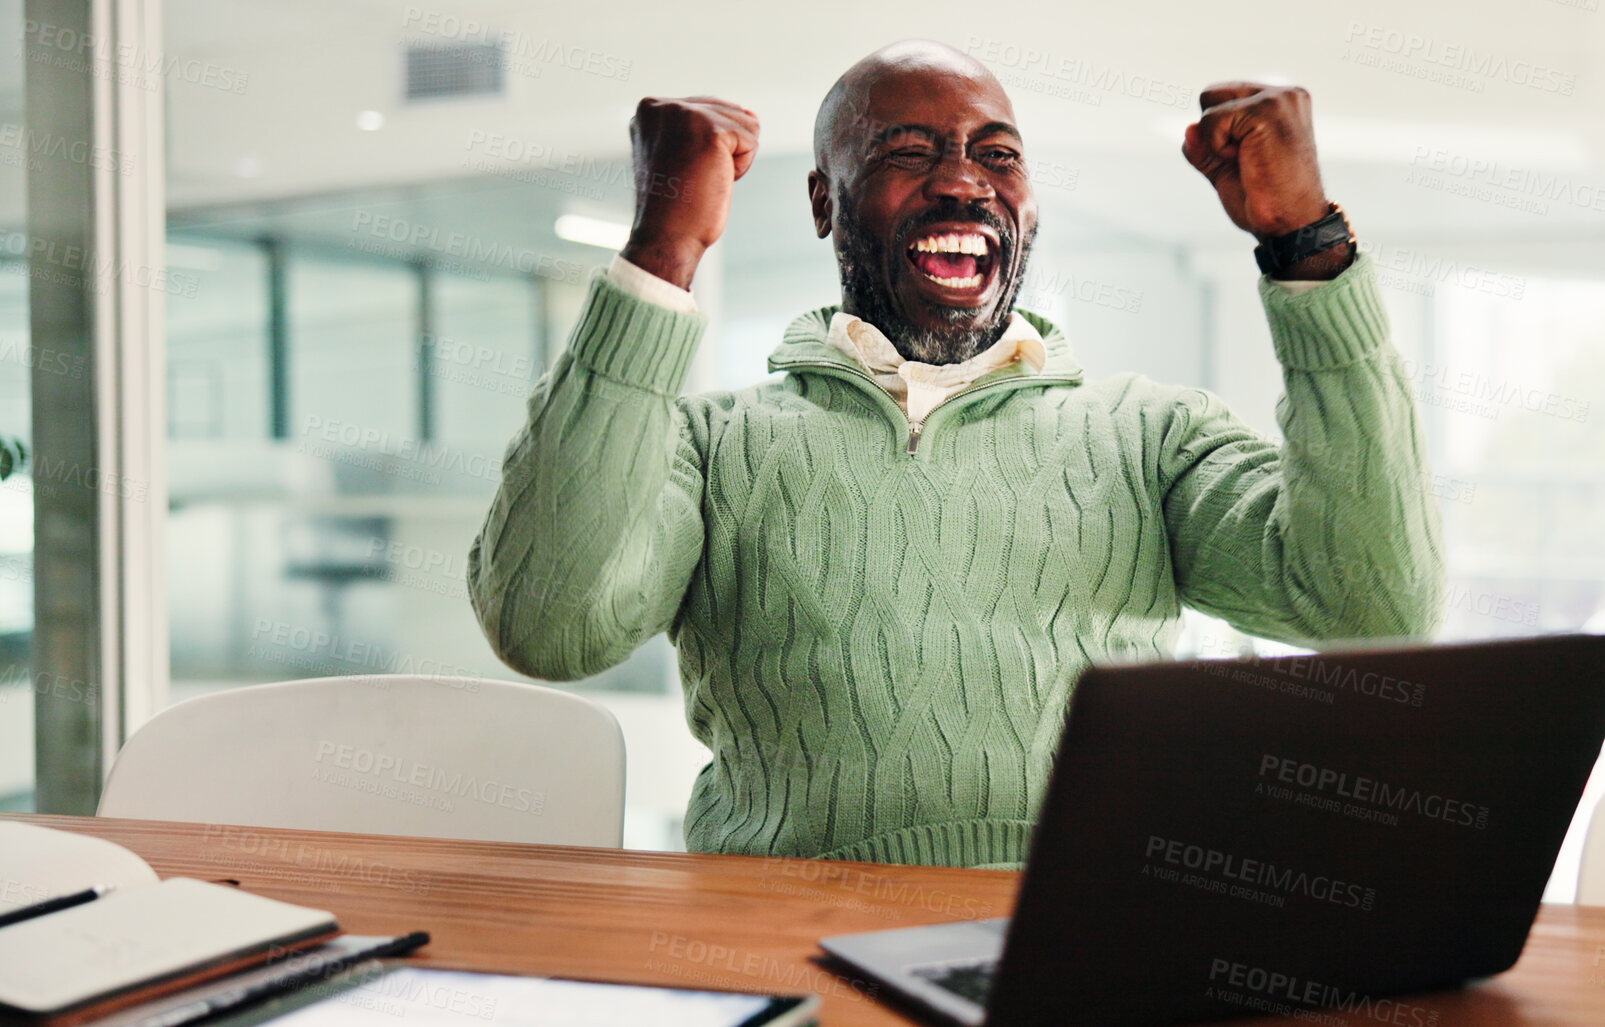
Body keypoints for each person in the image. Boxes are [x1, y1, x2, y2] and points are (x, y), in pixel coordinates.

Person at [468, 39, 1444, 868]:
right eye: (906, 151)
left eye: (997, 154)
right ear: (824, 201)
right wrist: (660, 254)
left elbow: (1372, 604)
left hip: (1084, 935)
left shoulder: (1153, 435)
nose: (962, 179)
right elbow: (548, 626)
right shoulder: (711, 444)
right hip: (788, 936)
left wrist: (1307, 245)